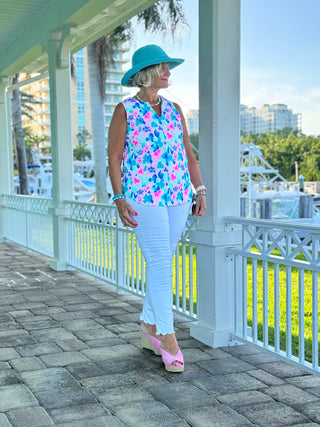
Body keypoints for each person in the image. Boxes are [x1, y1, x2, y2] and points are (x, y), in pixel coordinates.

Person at [108, 44, 206, 372]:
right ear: (146, 73)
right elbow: (114, 157)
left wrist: (199, 189)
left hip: (178, 196)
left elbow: (188, 154)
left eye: (168, 67)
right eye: (163, 67)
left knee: (162, 263)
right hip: (142, 197)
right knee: (161, 262)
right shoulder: (125, 110)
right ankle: (167, 335)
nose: (168, 73)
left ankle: (148, 326)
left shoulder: (176, 109)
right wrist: (119, 198)